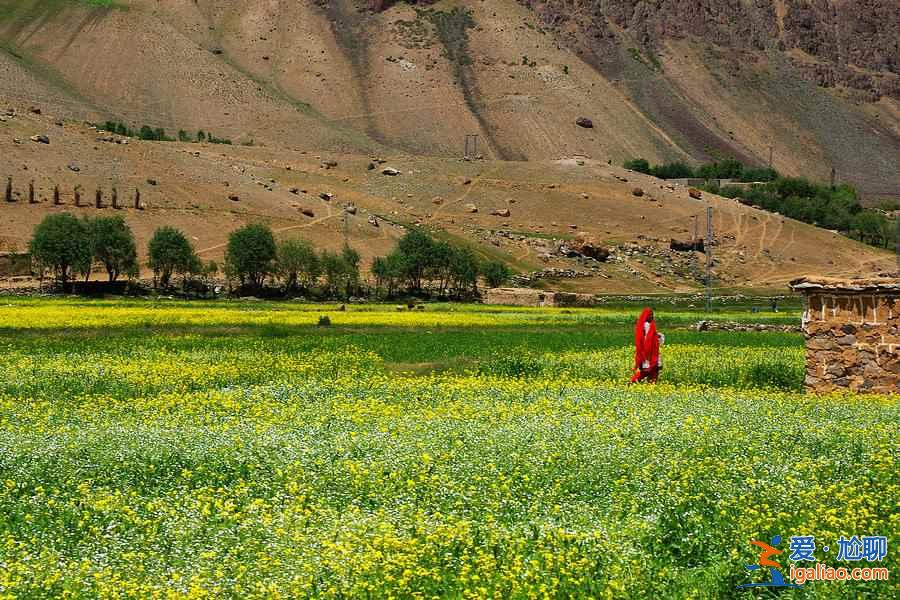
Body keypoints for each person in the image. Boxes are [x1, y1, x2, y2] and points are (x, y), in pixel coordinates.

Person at [631, 308, 663, 383]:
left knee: (654, 369)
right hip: (648, 351)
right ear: (646, 316)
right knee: (648, 369)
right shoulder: (646, 325)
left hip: (653, 350)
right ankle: (634, 381)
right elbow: (647, 338)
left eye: (652, 315)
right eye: (650, 315)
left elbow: (651, 336)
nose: (652, 316)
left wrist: (657, 336)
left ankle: (651, 384)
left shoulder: (649, 325)